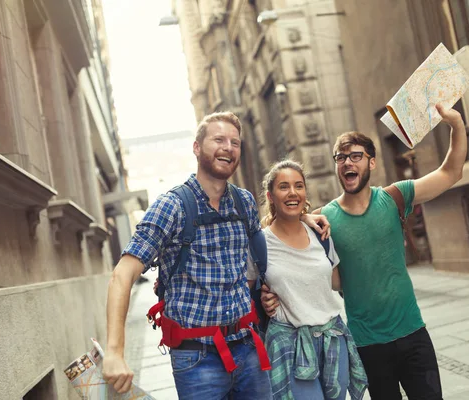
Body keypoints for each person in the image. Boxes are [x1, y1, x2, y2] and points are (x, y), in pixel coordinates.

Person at [103, 111, 329, 399]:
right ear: (197, 148)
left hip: (248, 347)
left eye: (235, 142)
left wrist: (302, 218)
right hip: (197, 359)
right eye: (219, 139)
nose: (228, 147)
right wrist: (114, 351)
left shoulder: (244, 201)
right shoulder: (171, 207)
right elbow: (122, 274)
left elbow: (266, 232)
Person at [263, 104, 467, 399]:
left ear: (371, 163)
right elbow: (281, 236)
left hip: (413, 333)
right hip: (367, 345)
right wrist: (268, 292)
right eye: (341, 157)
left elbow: (451, 172)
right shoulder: (323, 220)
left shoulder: (395, 196)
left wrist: (456, 124)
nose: (348, 163)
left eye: (356, 156)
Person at [253, 160, 367, 400]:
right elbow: (247, 289)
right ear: (270, 196)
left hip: (333, 338)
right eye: (283, 187)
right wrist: (262, 298)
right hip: (289, 345)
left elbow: (336, 283)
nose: (293, 192)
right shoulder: (259, 244)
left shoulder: (320, 234)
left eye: (299, 186)